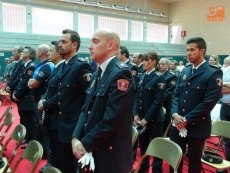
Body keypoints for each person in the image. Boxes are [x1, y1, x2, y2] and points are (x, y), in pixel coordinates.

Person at [72, 28, 135, 173]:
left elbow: (112, 119)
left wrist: (85, 143)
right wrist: (76, 137)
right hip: (94, 146)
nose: (89, 46)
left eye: (95, 41)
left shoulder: (121, 73)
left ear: (110, 45)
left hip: (110, 155)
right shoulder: (98, 72)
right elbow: (85, 108)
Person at [170, 37, 223, 173]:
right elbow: (176, 95)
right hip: (178, 123)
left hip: (197, 126)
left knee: (194, 163)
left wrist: (186, 120)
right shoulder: (185, 70)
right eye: (187, 50)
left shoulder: (213, 72)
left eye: (192, 50)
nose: (188, 53)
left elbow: (209, 102)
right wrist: (175, 115)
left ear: (202, 51)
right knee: (174, 161)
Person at [57, 29, 92, 173]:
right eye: (60, 41)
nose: (60, 44)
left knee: (75, 167)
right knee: (65, 165)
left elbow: (89, 97)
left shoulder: (80, 65)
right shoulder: (65, 64)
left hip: (74, 126)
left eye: (64, 42)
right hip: (63, 123)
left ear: (74, 45)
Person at [133, 51, 166, 173]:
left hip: (155, 120)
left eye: (147, 60)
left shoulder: (159, 78)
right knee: (143, 146)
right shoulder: (142, 76)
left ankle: (157, 170)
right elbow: (137, 97)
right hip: (141, 119)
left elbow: (157, 102)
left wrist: (146, 119)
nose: (144, 63)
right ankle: (144, 168)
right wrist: (135, 114)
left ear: (153, 62)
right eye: (144, 60)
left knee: (156, 147)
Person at [37, 41, 64, 173]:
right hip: (50, 112)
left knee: (57, 145)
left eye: (51, 51)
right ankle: (52, 164)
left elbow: (61, 93)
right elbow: (49, 90)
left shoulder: (62, 69)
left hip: (57, 114)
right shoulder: (56, 68)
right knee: (51, 142)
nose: (48, 54)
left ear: (59, 53)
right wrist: (42, 99)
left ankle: (54, 165)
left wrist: (45, 103)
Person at [27, 44, 54, 169]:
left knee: (44, 129)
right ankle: (42, 153)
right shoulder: (40, 65)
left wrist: (31, 82)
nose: (36, 52)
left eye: (38, 50)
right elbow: (31, 82)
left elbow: (33, 83)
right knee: (39, 127)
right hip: (35, 100)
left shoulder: (48, 66)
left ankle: (49, 156)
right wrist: (31, 82)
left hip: (41, 101)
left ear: (42, 52)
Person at [12, 46, 37, 146]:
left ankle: (33, 142)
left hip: (27, 99)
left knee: (31, 122)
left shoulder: (31, 66)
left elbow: (25, 83)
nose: (21, 53)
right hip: (23, 98)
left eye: (24, 52)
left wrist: (17, 93)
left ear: (30, 55)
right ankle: (28, 139)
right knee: (25, 120)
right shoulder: (25, 65)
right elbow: (20, 80)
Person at [218, 56, 230, 173]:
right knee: (226, 139)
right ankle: (227, 166)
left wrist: (226, 86)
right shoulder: (225, 70)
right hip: (225, 106)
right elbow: (219, 88)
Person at [158, 57, 177, 134]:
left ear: (168, 65)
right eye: (160, 64)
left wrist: (157, 99)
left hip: (166, 103)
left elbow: (168, 92)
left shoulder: (172, 76)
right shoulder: (157, 74)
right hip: (157, 103)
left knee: (165, 122)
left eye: (163, 64)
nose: (160, 65)